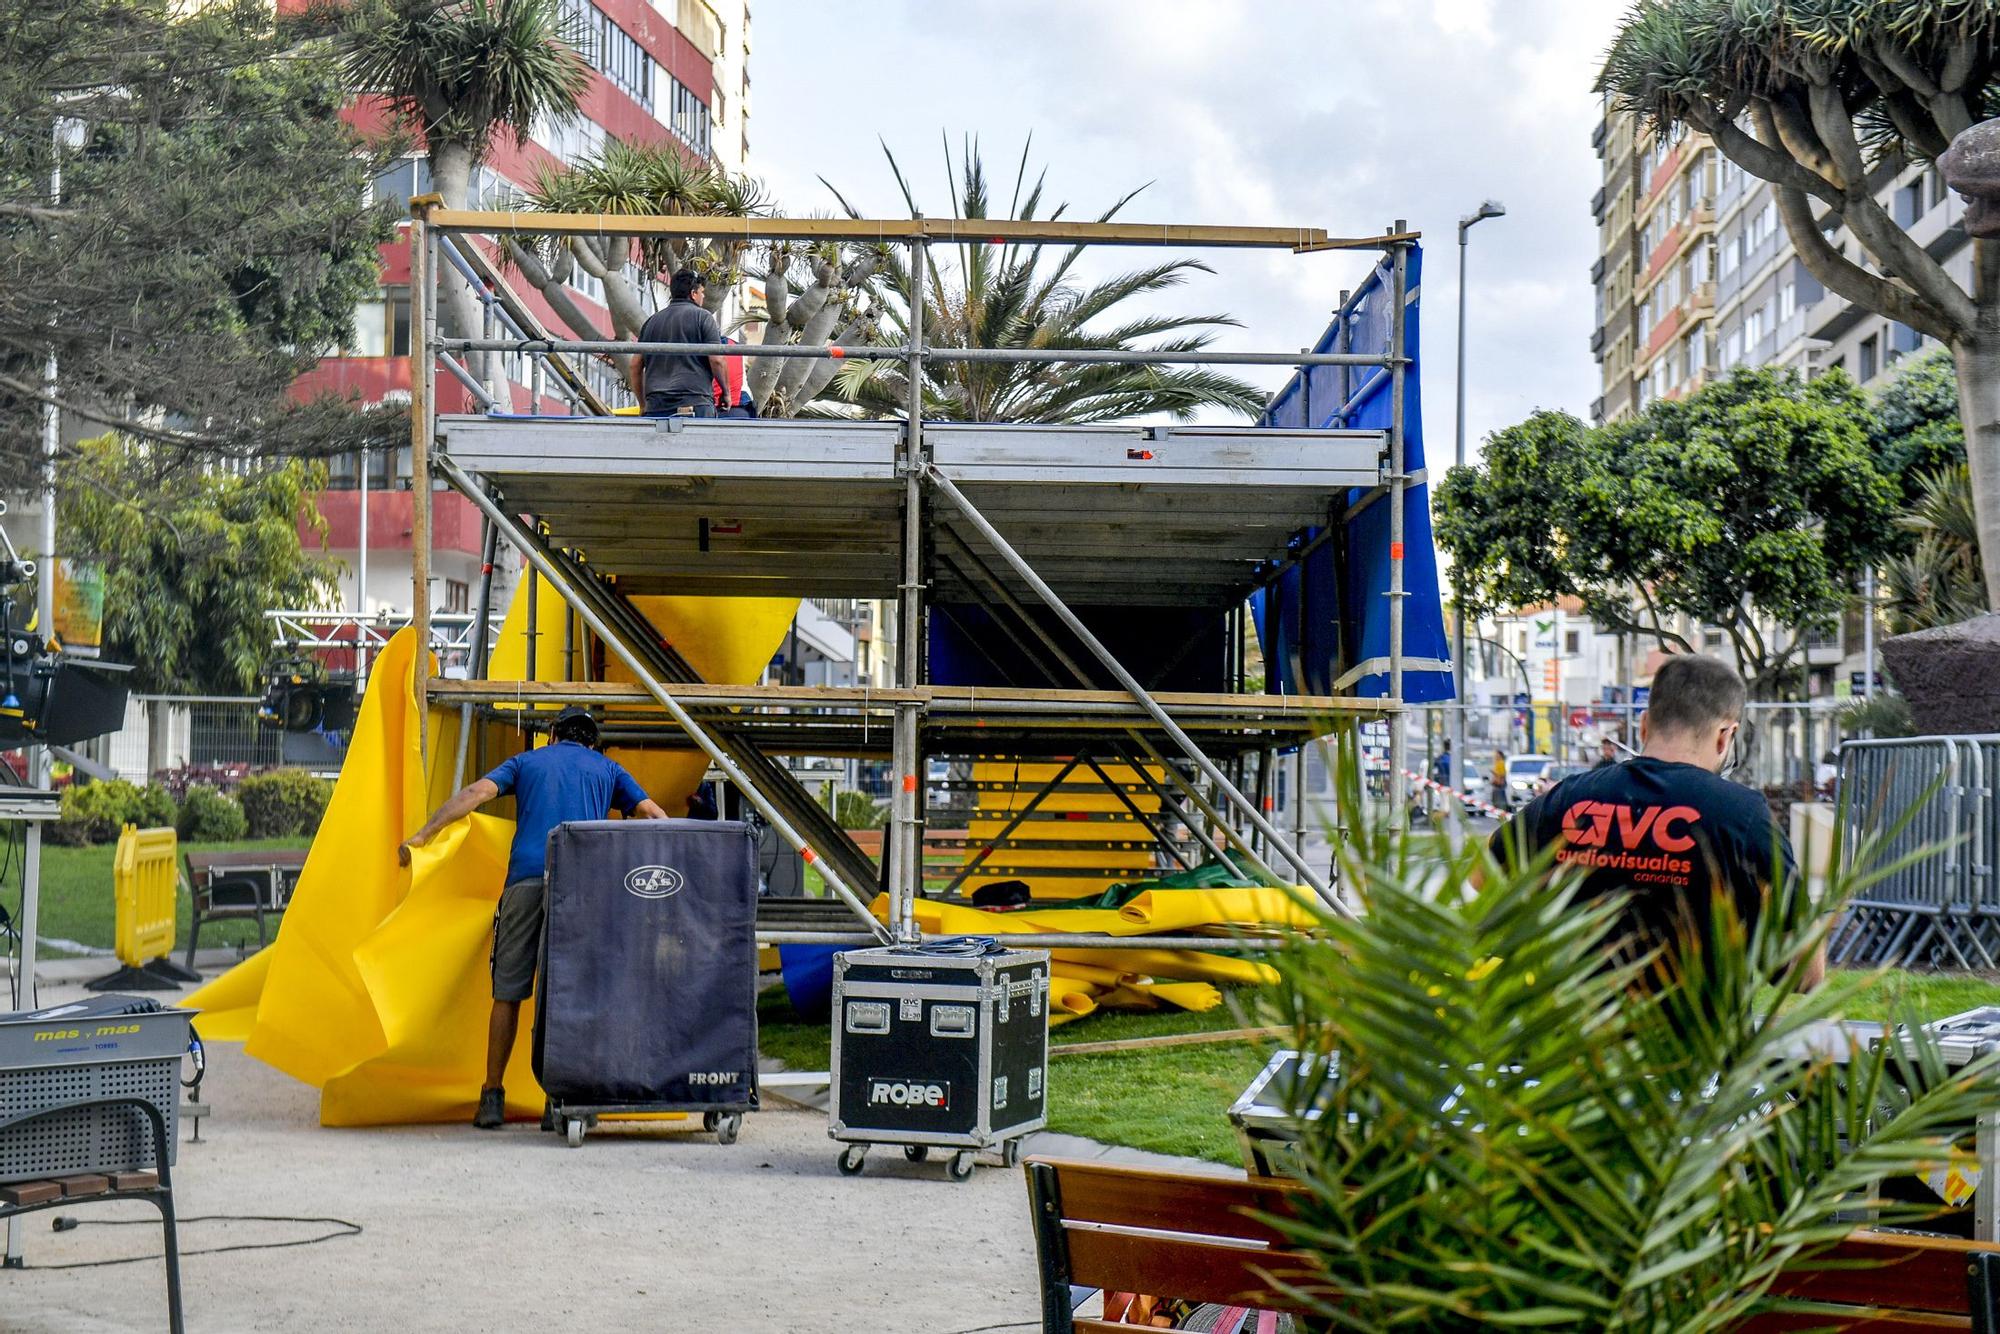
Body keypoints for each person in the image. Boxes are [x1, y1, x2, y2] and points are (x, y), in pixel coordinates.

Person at [396, 706, 669, 1128]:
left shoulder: (526, 762)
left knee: (507, 992)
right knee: (569, 994)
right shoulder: (608, 769)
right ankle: (559, 1100)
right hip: (579, 890)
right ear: (592, 741)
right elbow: (654, 817)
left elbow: (474, 795)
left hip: (524, 881)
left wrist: (422, 835)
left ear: (553, 734)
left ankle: (491, 1096)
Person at [1490, 654, 1813, 990]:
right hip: (1697, 1039)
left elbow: (1481, 881)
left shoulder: (1567, 799)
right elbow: (1805, 975)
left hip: (1571, 1036)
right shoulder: (1743, 816)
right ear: (1724, 736)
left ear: (1644, 725)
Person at [631, 269, 729, 417]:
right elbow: (717, 360)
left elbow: (635, 365)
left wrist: (643, 404)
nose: (703, 297)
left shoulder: (652, 322)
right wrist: (726, 392)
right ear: (693, 293)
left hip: (656, 406)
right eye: (702, 292)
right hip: (695, 403)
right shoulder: (703, 317)